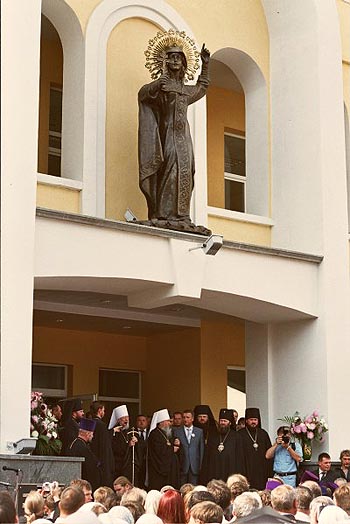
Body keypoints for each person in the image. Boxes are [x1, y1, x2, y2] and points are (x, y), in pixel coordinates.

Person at [138, 30, 211, 235]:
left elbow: (202, 87)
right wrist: (156, 84)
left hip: (184, 139)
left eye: (179, 57)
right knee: (168, 169)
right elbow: (143, 95)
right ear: (166, 61)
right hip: (167, 135)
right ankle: (162, 214)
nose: (176, 60)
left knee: (186, 170)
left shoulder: (186, 90)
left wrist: (205, 65)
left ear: (184, 62)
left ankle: (182, 215)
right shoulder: (162, 85)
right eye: (172, 57)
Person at [202, 408, 245, 484]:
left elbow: (240, 457)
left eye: (225, 421)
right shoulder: (212, 436)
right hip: (214, 470)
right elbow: (207, 456)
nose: (222, 423)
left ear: (230, 423)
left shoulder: (236, 436)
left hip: (230, 470)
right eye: (221, 421)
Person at [238, 407, 273, 490]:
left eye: (255, 420)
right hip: (246, 471)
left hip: (262, 472)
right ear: (246, 420)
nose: (253, 422)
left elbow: (269, 453)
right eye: (251, 419)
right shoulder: (240, 434)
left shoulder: (263, 434)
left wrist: (269, 473)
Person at [147, 408, 180, 490]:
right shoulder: (154, 434)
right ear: (162, 422)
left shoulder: (169, 432)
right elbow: (158, 450)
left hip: (170, 467)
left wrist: (177, 443)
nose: (170, 423)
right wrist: (171, 449)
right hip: (158, 468)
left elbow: (170, 443)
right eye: (168, 421)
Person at [109, 405, 140, 486]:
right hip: (119, 466)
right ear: (118, 420)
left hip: (130, 466)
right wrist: (128, 446)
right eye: (124, 418)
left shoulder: (130, 431)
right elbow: (115, 449)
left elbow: (139, 449)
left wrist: (137, 442)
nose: (126, 420)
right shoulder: (114, 433)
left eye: (127, 417)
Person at [67, 419, 102, 491]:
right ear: (88, 434)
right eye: (92, 434)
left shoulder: (75, 443)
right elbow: (91, 467)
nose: (92, 436)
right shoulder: (82, 447)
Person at [173, 409, 204, 485]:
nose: (185, 419)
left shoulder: (199, 431)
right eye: (184, 417)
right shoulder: (177, 431)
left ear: (192, 419)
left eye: (187, 417)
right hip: (182, 466)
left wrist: (200, 466)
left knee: (193, 489)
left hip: (194, 466)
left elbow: (201, 450)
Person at [89, 400, 115, 487]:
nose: (104, 412)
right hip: (102, 465)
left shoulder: (90, 423)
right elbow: (105, 447)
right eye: (103, 410)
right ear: (99, 410)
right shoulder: (101, 425)